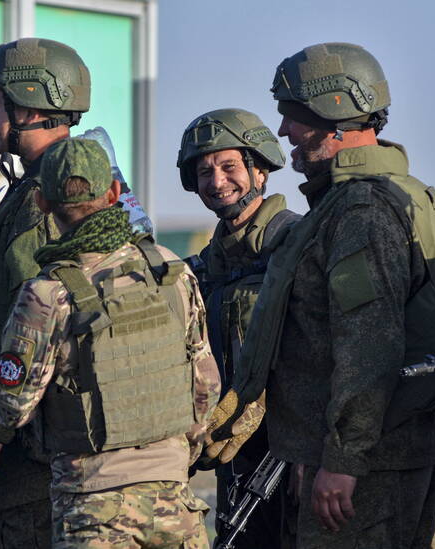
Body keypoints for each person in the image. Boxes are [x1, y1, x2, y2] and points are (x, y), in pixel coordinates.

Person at [209, 42, 435, 548]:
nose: (284, 133)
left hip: (369, 469)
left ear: (332, 113)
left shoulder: (360, 211)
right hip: (370, 457)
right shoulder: (369, 198)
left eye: (292, 116)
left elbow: (369, 346)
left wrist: (341, 462)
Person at [0, 138, 220, 548]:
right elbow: (206, 384)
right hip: (174, 501)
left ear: (41, 202)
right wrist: (181, 452)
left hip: (94, 506)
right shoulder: (169, 270)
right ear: (113, 193)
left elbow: (12, 404)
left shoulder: (48, 292)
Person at [0, 38, 88, 548]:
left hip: (31, 448)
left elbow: (33, 332)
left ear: (28, 106)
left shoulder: (39, 205)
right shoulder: (46, 190)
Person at [178, 108, 299, 548]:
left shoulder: (297, 244)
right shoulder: (203, 268)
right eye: (204, 171)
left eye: (229, 167)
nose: (217, 181)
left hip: (296, 454)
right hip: (233, 457)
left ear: (260, 171)